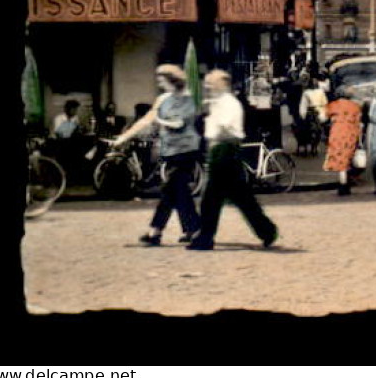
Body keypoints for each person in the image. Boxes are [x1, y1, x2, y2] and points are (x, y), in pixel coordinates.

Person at [112, 64, 202, 247]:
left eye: (161, 79)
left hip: (185, 151)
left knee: (173, 189)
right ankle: (193, 229)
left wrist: (159, 120)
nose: (159, 82)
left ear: (172, 80)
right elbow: (146, 120)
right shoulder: (162, 99)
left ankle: (158, 232)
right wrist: (124, 137)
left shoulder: (187, 99)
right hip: (170, 151)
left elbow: (178, 124)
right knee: (174, 192)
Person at [188, 70, 278, 251]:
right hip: (219, 150)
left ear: (222, 83)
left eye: (211, 83)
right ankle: (266, 230)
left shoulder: (229, 103)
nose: (207, 87)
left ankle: (205, 238)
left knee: (211, 198)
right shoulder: (217, 103)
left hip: (225, 149)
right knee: (241, 197)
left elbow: (226, 128)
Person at [323, 86, 364, 196]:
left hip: (337, 133)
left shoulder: (333, 106)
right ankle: (348, 181)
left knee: (340, 160)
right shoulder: (355, 106)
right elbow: (359, 121)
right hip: (351, 133)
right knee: (348, 157)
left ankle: (343, 184)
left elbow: (323, 118)